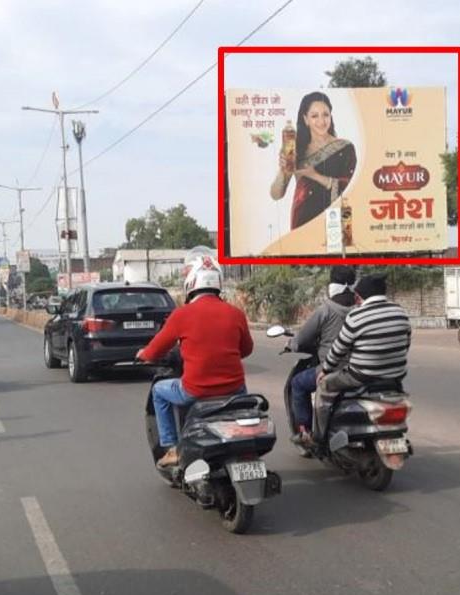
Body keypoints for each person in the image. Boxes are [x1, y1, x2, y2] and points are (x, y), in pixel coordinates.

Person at [136, 249, 253, 468]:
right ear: (218, 281)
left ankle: (171, 448)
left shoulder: (181, 314)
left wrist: (143, 354)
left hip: (195, 390)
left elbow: (154, 351)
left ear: (191, 282)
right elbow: (246, 350)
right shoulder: (235, 313)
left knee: (159, 391)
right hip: (234, 390)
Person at [317, 273, 412, 419]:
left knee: (324, 385)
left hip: (362, 376)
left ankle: (318, 435)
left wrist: (325, 369)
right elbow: (405, 345)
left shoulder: (356, 316)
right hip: (396, 375)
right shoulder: (401, 313)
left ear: (360, 296)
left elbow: (338, 350)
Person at [286, 265, 356, 446]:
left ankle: (305, 432)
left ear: (332, 285)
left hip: (332, 369)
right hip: (360, 368)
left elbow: (301, 339)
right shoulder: (360, 309)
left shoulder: (326, 310)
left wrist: (292, 344)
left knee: (297, 384)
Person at [270, 91, 357, 229]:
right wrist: (282, 170)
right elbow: (276, 195)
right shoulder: (295, 150)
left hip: (336, 220)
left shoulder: (345, 148)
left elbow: (352, 190)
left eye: (325, 115)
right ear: (306, 119)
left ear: (331, 116)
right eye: (314, 116)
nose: (321, 121)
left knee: (338, 249)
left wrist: (315, 176)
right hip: (303, 221)